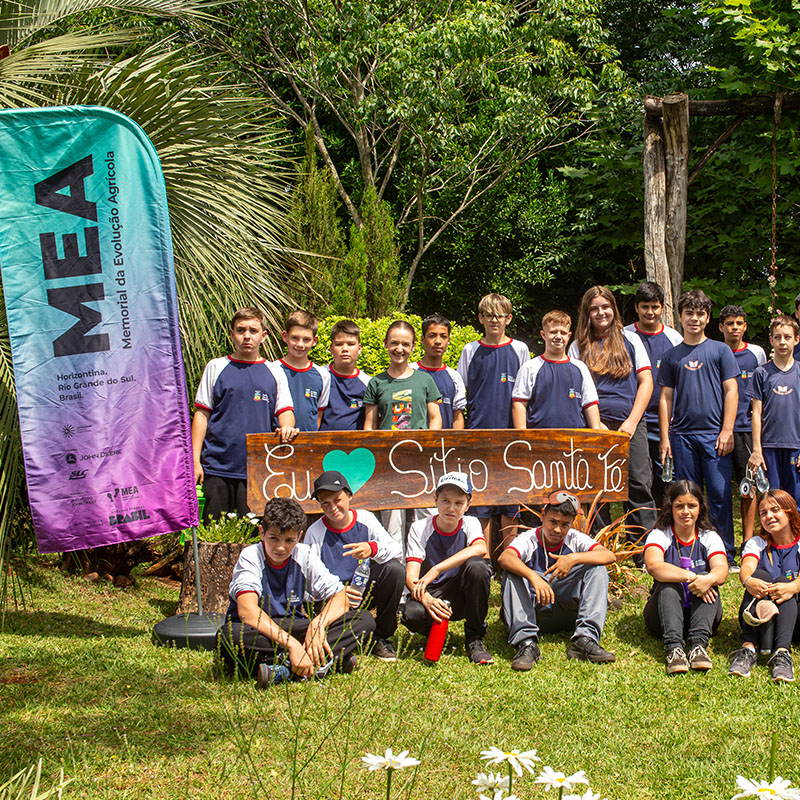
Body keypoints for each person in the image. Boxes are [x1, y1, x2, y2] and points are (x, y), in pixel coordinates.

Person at [217, 497, 375, 687]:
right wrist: (292, 644)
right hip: (261, 629)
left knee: (363, 620)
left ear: (299, 537)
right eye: (274, 538)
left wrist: (318, 625)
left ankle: (282, 669)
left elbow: (340, 596)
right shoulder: (251, 556)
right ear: (262, 533)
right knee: (229, 636)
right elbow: (247, 611)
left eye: (289, 540)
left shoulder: (304, 554)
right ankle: (323, 662)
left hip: (295, 625)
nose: (281, 547)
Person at [658, 289, 739, 568]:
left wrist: (727, 430)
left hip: (715, 436)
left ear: (707, 318)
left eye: (700, 313)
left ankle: (725, 552)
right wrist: (666, 437)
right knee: (688, 498)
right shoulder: (671, 356)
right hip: (682, 436)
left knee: (719, 495)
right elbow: (666, 397)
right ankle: (692, 552)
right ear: (680, 317)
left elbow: (731, 390)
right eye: (689, 313)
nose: (694, 318)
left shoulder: (720, 350)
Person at [192, 307, 298, 520]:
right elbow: (201, 415)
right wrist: (195, 461)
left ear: (263, 336)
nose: (247, 336)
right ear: (232, 335)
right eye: (241, 330)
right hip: (216, 467)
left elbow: (285, 411)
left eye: (253, 330)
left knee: (252, 536)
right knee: (214, 536)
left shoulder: (275, 371)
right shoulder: (216, 367)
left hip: (258, 470)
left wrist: (287, 426)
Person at [569, 286, 656, 548]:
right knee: (597, 489)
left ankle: (642, 548)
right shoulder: (577, 346)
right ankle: (599, 546)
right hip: (593, 426)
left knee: (639, 484)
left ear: (613, 309)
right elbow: (575, 390)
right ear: (587, 313)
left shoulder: (631, 340)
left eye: (605, 306)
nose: (600, 312)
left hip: (631, 424)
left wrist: (631, 422)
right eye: (594, 308)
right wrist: (596, 424)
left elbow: (646, 382)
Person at [497, 490, 616, 670]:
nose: (558, 529)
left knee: (597, 569)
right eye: (553, 521)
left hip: (566, 611)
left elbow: (609, 556)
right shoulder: (529, 538)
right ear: (543, 516)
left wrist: (573, 558)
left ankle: (585, 639)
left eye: (565, 524)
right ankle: (526, 643)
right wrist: (533, 577)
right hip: (535, 611)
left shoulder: (575, 539)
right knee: (513, 573)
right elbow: (505, 558)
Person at [304, 470, 405, 662]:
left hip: (362, 587)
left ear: (349, 495)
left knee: (394, 570)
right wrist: (338, 592)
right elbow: (309, 577)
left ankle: (381, 636)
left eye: (337, 499)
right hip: (332, 595)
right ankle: (340, 632)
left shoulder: (365, 519)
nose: (333, 507)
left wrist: (371, 548)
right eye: (325, 503)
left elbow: (396, 551)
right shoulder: (315, 532)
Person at [457, 293, 530, 550]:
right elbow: (460, 390)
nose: (494, 320)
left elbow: (526, 391)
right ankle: (484, 558)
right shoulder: (470, 350)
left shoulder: (519, 349)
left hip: (511, 434)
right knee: (482, 499)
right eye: (489, 316)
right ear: (481, 318)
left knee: (511, 498)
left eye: (499, 316)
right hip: (479, 433)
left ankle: (510, 557)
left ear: (508, 318)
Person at [402, 472, 493, 664]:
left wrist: (436, 569)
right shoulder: (420, 527)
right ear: (435, 500)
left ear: (468, 505)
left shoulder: (470, 523)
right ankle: (435, 630)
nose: (451, 508)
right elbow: (411, 577)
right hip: (432, 591)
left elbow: (480, 548)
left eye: (459, 503)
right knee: (411, 615)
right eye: (445, 501)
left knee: (478, 567)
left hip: (460, 592)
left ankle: (475, 637)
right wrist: (426, 598)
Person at [363, 320, 442, 544]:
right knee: (392, 519)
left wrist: (429, 443)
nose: (400, 349)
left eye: (405, 344)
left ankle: (426, 566)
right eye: (394, 343)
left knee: (424, 514)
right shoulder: (376, 382)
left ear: (414, 346)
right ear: (386, 344)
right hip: (389, 461)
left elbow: (435, 417)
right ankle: (396, 569)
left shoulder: (425, 380)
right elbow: (369, 426)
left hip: (420, 458)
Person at [642, 480, 728, 674]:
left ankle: (698, 647)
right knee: (669, 584)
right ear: (670, 509)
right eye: (679, 506)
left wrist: (707, 579)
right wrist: (690, 576)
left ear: (700, 509)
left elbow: (721, 571)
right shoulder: (659, 535)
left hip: (702, 615)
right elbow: (654, 566)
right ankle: (674, 649)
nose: (685, 511)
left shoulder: (709, 537)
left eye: (692, 506)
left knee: (709, 579)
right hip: (662, 616)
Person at [729, 489, 800, 683]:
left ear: (789, 511)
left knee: (784, 582)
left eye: (775, 510)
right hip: (761, 617)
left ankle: (783, 653)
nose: (769, 516)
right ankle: (748, 649)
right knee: (758, 575)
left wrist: (793, 587)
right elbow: (747, 567)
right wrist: (748, 581)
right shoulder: (757, 543)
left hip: (794, 619)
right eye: (763, 513)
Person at [624, 281, 682, 508]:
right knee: (637, 479)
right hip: (634, 420)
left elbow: (681, 380)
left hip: (664, 421)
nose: (650, 312)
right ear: (636, 308)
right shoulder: (624, 335)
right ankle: (638, 534)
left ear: (663, 308)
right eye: (645, 306)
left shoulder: (673, 338)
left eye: (655, 307)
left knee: (666, 478)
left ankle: (666, 528)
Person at [718, 304, 766, 546]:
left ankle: (748, 542)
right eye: (729, 324)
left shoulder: (756, 353)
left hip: (746, 429)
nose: (734, 328)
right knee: (720, 489)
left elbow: (762, 390)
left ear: (745, 326)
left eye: (738, 323)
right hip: (718, 429)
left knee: (749, 487)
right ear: (720, 327)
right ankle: (719, 541)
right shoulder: (715, 351)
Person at [512, 310, 601, 432]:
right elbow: (519, 404)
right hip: (539, 440)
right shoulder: (530, 367)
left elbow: (590, 404)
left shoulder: (580, 368)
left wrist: (597, 434)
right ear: (543, 334)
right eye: (553, 332)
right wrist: (522, 437)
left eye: (563, 333)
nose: (558, 336)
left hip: (574, 442)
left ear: (569, 336)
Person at [747, 315, 800, 508]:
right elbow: (756, 413)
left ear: (796, 339)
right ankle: (772, 538)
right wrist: (757, 450)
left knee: (795, 501)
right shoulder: (762, 373)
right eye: (777, 337)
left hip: (796, 446)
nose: (782, 342)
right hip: (769, 447)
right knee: (772, 500)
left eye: (787, 337)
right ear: (771, 340)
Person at [274, 309, 330, 431]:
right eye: (295, 338)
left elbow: (318, 415)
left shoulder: (323, 375)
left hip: (309, 445)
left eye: (306, 339)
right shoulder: (272, 370)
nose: (300, 344)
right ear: (285, 336)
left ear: (314, 341)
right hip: (276, 443)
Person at [413, 314, 466, 429]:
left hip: (446, 446)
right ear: (423, 339)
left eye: (443, 336)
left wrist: (456, 444)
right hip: (413, 444)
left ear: (448, 340)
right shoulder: (410, 372)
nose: (438, 341)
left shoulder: (454, 377)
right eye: (432, 336)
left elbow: (457, 416)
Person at [319, 319, 372, 431]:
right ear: (331, 348)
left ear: (359, 348)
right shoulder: (320, 377)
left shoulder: (368, 383)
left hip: (356, 446)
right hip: (323, 444)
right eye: (339, 344)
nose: (345, 349)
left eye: (351, 344)